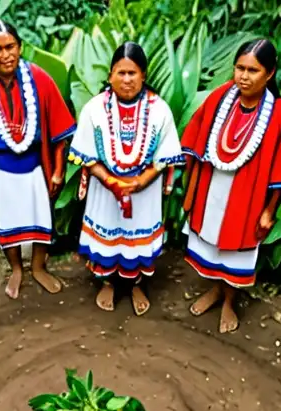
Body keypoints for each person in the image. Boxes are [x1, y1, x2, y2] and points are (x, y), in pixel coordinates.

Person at [0, 20, 76, 299]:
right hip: (2, 168)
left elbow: (59, 133)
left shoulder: (40, 79)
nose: (5, 54)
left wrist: (58, 171)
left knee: (41, 217)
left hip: (36, 166)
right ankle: (17, 269)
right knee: (8, 221)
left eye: (10, 47)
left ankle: (38, 267)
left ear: (20, 47)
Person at [181, 39, 281, 333]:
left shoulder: (278, 117)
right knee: (210, 239)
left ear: (269, 74)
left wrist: (269, 211)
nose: (243, 76)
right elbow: (196, 137)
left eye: (253, 70)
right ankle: (214, 290)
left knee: (236, 248)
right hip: (212, 185)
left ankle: (229, 300)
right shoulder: (220, 98)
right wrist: (189, 185)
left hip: (248, 195)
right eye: (239, 68)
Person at [70, 42, 184, 315]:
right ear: (110, 75)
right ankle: (108, 282)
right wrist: (111, 181)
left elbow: (166, 155)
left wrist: (142, 180)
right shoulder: (94, 109)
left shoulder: (159, 110)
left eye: (132, 73)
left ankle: (136, 284)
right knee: (108, 234)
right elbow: (85, 154)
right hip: (104, 189)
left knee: (137, 239)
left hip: (143, 191)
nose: (127, 80)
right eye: (121, 73)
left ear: (143, 75)